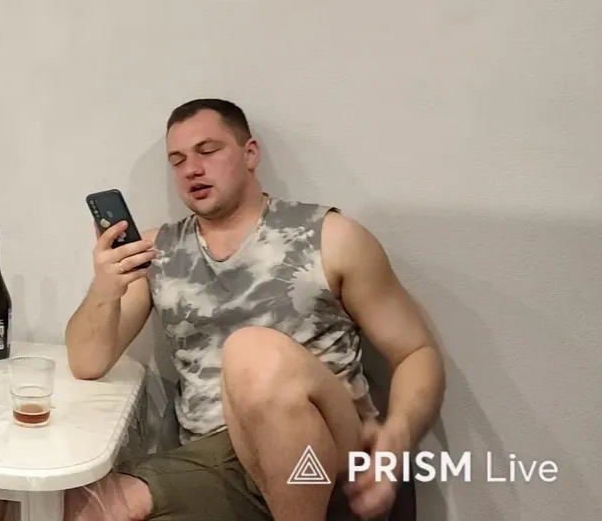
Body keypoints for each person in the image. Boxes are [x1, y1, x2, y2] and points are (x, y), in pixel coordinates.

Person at [64, 99, 444, 521]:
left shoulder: (330, 236)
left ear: (249, 154)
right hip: (216, 460)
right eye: (178, 160)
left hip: (325, 446)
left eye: (208, 151)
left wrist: (399, 435)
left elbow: (416, 352)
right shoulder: (157, 252)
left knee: (252, 352)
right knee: (73, 506)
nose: (191, 169)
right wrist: (105, 287)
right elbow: (87, 361)